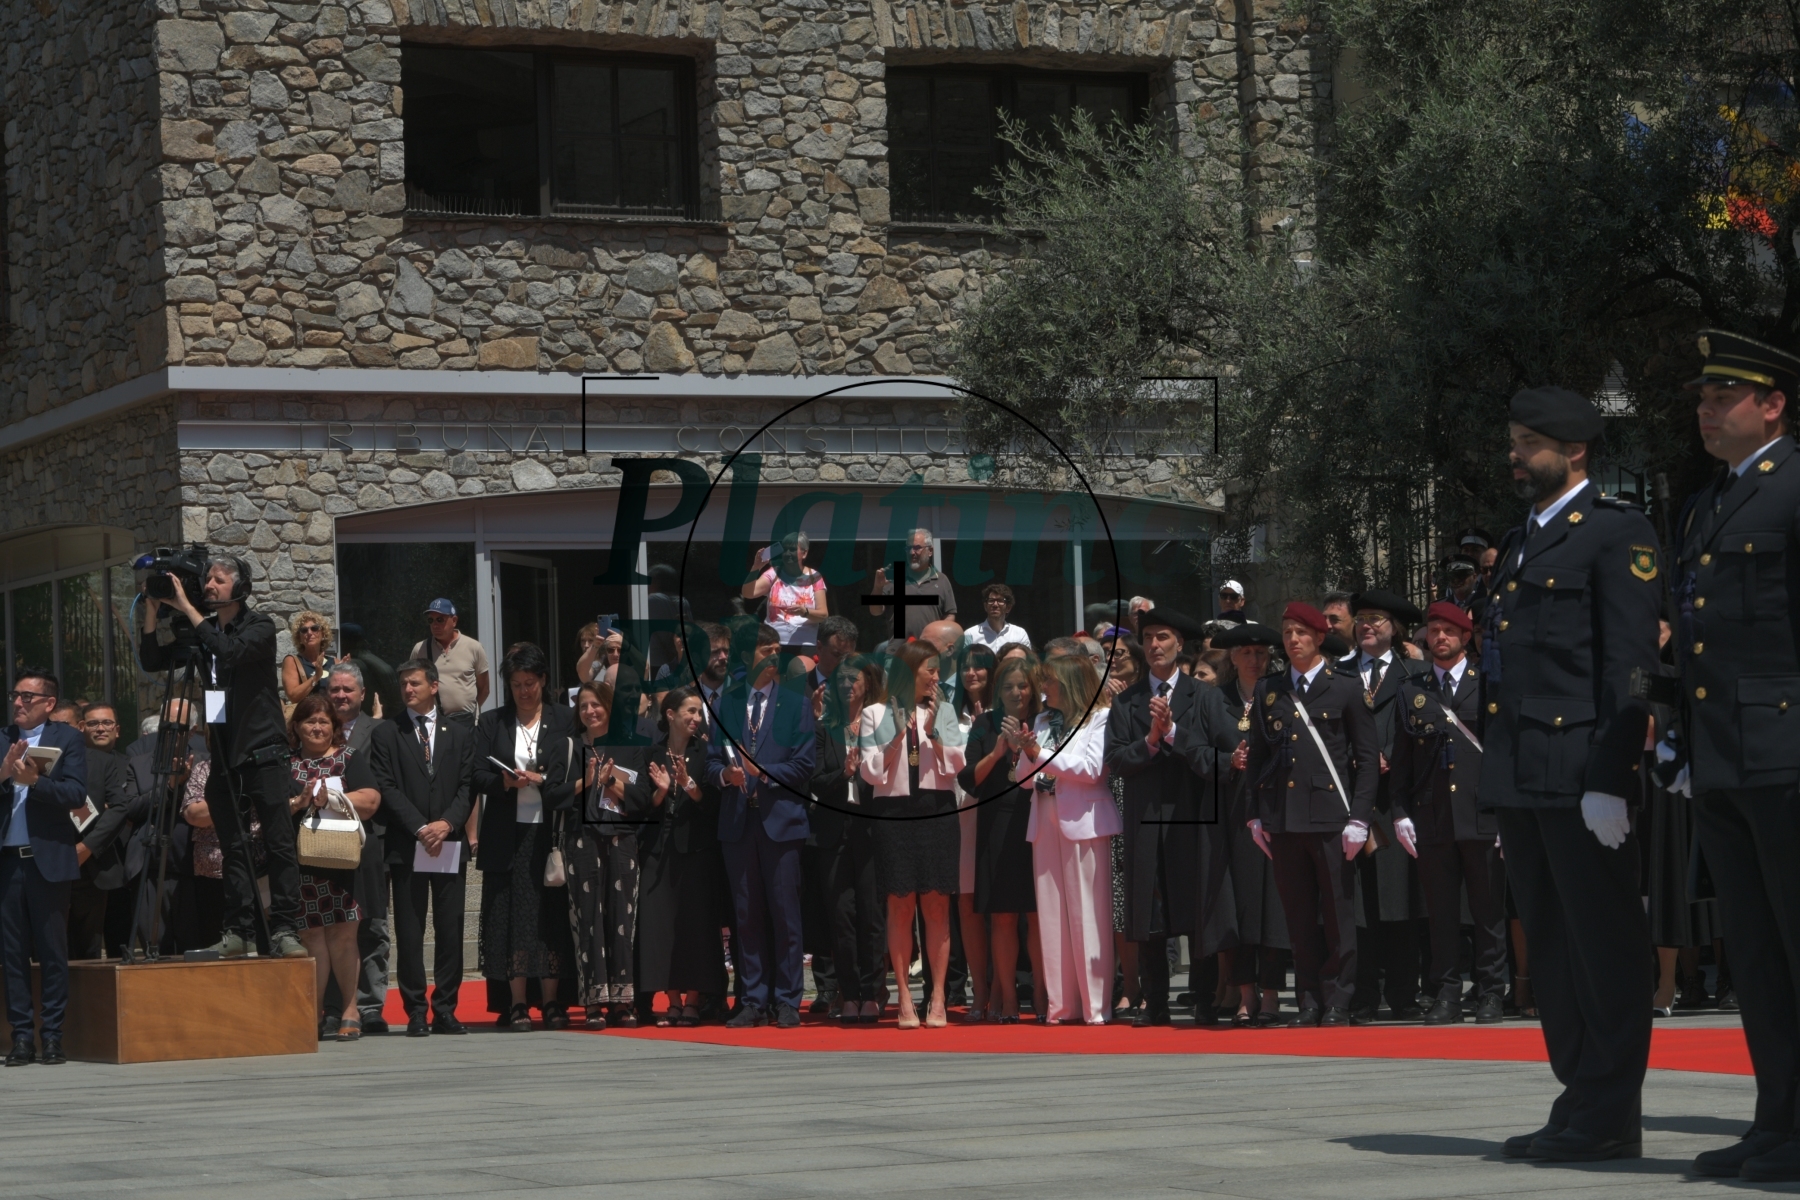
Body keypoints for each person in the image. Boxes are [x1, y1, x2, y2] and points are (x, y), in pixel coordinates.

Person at [1482, 385, 1659, 1164]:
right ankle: (1580, 1097)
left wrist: (1611, 774)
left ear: (1576, 451)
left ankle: (1612, 1111)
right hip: (1523, 771)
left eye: (1529, 443)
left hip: (1582, 770)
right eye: (1514, 441)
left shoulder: (1616, 531)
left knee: (1604, 944)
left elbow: (1632, 664)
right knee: (1551, 946)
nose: (1514, 456)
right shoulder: (1523, 538)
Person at [1673, 330, 1800, 1181]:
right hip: (1723, 754)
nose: (1707, 412)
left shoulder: (1793, 487)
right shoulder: (1707, 502)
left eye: (1724, 398)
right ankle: (1778, 1120)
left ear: (1773, 404)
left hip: (1786, 752)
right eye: (1703, 400)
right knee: (1755, 954)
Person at [139, 555, 306, 959]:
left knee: (279, 843)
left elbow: (228, 651)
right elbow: (152, 661)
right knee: (233, 846)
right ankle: (238, 931)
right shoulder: (205, 629)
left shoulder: (260, 625)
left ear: (240, 587)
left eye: (218, 579)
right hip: (225, 755)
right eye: (207, 579)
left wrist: (188, 608)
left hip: (264, 750)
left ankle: (285, 928)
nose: (209, 585)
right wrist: (152, 612)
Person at [1246, 602, 1380, 1027]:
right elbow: (1258, 756)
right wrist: (1255, 814)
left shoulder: (1346, 688)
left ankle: (1338, 998)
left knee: (1338, 913)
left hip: (1331, 816)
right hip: (1284, 818)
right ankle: (1307, 999)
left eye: (1302, 632)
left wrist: (1359, 818)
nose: (1293, 639)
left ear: (1320, 638)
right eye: (1287, 632)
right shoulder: (1269, 689)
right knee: (1298, 913)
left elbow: (1367, 759)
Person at [1105, 607, 1237, 1026]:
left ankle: (1203, 999)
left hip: (1193, 812)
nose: (1154, 645)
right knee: (1150, 911)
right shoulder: (1127, 700)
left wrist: (1177, 736)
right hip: (1146, 816)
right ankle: (1155, 1002)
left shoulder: (1206, 696)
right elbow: (1115, 760)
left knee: (1198, 908)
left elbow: (1227, 755)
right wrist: (1149, 740)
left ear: (1180, 644)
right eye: (1148, 638)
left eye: (1163, 637)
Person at [1388, 601, 1505, 1025]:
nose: (1440, 637)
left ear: (1465, 638)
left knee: (1488, 910)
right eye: (1434, 630)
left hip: (1481, 813)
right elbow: (1401, 760)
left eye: (1449, 631)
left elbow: (1503, 751)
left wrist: (1506, 816)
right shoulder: (1412, 690)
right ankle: (1448, 992)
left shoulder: (1488, 683)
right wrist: (1400, 812)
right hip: (1433, 816)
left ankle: (1490, 992)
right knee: (1441, 913)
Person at [708, 623, 817, 1028]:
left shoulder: (795, 704)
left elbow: (805, 764)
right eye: (765, 650)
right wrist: (726, 776)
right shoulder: (727, 703)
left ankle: (788, 999)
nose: (774, 657)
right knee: (746, 914)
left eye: (776, 650)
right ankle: (752, 999)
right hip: (738, 822)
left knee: (786, 914)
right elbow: (711, 761)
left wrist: (764, 772)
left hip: (781, 822)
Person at [859, 640, 965, 1028]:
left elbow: (957, 765)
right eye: (930, 670)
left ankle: (937, 996)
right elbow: (870, 772)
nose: (937, 677)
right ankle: (903, 995)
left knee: (937, 906)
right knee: (900, 905)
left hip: (937, 812)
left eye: (938, 670)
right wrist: (896, 738)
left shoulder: (946, 710)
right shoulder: (875, 712)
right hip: (894, 814)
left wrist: (934, 732)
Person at [473, 642, 578, 1031]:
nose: (523, 691)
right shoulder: (493, 722)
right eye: (516, 684)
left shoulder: (564, 719)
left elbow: (574, 768)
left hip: (550, 833)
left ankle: (552, 1001)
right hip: (507, 835)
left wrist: (543, 778)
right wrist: (504, 782)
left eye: (530, 683)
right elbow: (476, 774)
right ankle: (516, 1002)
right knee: (511, 919)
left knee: (551, 917)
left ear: (543, 681)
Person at [1338, 589, 1430, 1024]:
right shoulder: (1339, 673)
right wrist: (1356, 755)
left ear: (1395, 628)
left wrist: (1391, 754)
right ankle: (1363, 994)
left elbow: (1426, 727)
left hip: (1397, 799)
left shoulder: (1416, 673)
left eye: (1376, 619)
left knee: (1399, 901)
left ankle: (1403, 992)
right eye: (1361, 619)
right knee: (1358, 905)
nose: (1366, 626)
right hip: (1352, 799)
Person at [1017, 653, 1117, 1025]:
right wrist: (1027, 752)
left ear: (1070, 683)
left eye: (1050, 681)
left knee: (1088, 914)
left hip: (1084, 821)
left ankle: (1095, 1007)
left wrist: (1039, 753)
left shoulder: (1100, 717)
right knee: (1051, 915)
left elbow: (1092, 770)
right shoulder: (1043, 720)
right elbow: (1022, 779)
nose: (1043, 688)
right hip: (1045, 819)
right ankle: (1061, 1006)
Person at [284, 693, 383, 1041]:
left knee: (343, 936)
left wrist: (332, 796)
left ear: (334, 727)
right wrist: (297, 802)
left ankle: (350, 1009)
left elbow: (371, 800)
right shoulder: (286, 763)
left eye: (323, 721)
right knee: (311, 936)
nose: (317, 727)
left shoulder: (349, 757)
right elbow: (271, 809)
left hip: (344, 861)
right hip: (302, 862)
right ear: (297, 726)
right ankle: (314, 1012)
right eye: (310, 721)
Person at [0, 670, 87, 1066]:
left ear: (49, 703)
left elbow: (76, 793)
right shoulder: (3, 738)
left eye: (27, 697)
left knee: (52, 952)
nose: (18, 703)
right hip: (8, 863)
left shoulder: (66, 738)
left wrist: (35, 782)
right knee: (12, 954)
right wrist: (5, 776)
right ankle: (21, 1037)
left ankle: (52, 1036)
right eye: (15, 695)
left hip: (47, 861)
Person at [383, 659, 474, 1037]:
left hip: (448, 843)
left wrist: (447, 823)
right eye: (404, 683)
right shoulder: (388, 732)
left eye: (415, 683)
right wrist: (421, 827)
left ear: (434, 686)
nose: (408, 689)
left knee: (450, 929)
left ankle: (446, 1009)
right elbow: (386, 786)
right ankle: (416, 1010)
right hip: (408, 844)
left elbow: (467, 785)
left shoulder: (460, 733)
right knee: (409, 931)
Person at [635, 686, 728, 1026]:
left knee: (696, 924)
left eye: (699, 712)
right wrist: (661, 792)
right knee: (659, 925)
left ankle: (693, 1000)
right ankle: (672, 1000)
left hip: (697, 848)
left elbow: (713, 804)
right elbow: (642, 806)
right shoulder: (651, 753)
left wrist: (689, 784)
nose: (696, 718)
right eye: (690, 711)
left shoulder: (706, 753)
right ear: (670, 714)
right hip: (658, 849)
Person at [957, 656, 1043, 1023]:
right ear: (997, 691)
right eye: (1008, 686)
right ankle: (1007, 996)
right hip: (996, 822)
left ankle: (1041, 993)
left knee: (1037, 914)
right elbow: (968, 779)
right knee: (1004, 915)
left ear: (1032, 689)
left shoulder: (1044, 720)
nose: (1016, 692)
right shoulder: (984, 723)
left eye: (1022, 685)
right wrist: (998, 751)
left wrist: (1026, 748)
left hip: (1037, 817)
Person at [1214, 622, 1287, 1026]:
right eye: (1246, 653)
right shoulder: (1216, 699)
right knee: (1240, 903)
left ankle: (1272, 992)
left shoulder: (1280, 692)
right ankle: (1244, 992)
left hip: (1275, 809)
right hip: (1232, 814)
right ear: (1232, 656)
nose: (1254, 660)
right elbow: (1197, 748)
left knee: (1273, 904)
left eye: (1261, 653)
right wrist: (1228, 760)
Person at [567, 681, 649, 1027]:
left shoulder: (631, 747)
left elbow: (643, 799)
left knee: (621, 919)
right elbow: (555, 794)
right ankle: (593, 1002)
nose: (590, 711)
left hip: (621, 839)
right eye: (584, 706)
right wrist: (587, 781)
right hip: (582, 839)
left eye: (596, 704)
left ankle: (622, 1001)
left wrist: (611, 781)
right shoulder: (571, 746)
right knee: (589, 919)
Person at [811, 659, 888, 1023]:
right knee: (841, 915)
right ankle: (849, 993)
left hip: (871, 830)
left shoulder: (880, 723)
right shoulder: (824, 728)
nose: (846, 684)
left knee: (872, 914)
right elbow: (814, 780)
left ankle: (873, 992)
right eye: (839, 679)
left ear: (867, 682)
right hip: (833, 831)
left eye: (852, 678)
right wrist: (843, 774)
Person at [322, 662, 395, 1034]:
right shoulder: (315, 730)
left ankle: (369, 1006)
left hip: (371, 840)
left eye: (347, 689)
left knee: (371, 926)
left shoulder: (381, 730)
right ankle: (333, 1007)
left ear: (363, 694)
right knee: (332, 926)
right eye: (334, 689)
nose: (340, 696)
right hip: (324, 845)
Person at [68, 704, 137, 960]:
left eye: (106, 723)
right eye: (93, 723)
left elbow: (129, 806)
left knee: (119, 944)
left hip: (119, 867)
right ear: (82, 728)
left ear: (117, 730)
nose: (100, 728)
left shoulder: (131, 765)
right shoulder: (68, 764)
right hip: (77, 865)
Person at [411, 599, 490, 735]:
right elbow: (411, 684)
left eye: (440, 620)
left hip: (466, 724)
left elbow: (484, 688)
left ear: (454, 621)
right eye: (431, 620)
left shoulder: (474, 647)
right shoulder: (420, 649)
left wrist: (472, 712)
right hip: (433, 723)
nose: (435, 625)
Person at [743, 532, 830, 650]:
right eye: (785, 549)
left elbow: (823, 615)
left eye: (792, 549)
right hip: (774, 644)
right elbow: (748, 593)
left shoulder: (814, 577)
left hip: (805, 644)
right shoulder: (774, 573)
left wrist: (804, 612)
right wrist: (756, 567)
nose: (788, 553)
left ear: (804, 553)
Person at [868, 528, 958, 639]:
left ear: (930, 551)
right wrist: (877, 587)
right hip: (899, 648)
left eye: (917, 548)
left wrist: (940, 639)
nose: (911, 552)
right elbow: (875, 611)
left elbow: (949, 615)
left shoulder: (941, 580)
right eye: (909, 548)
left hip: (929, 648)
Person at [282, 610, 340, 706]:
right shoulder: (292, 661)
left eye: (314, 628)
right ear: (299, 638)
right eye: (304, 630)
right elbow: (293, 697)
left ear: (323, 634)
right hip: (308, 714)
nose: (309, 632)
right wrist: (316, 677)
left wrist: (346, 673)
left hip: (330, 714)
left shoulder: (335, 662)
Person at [966, 583, 1032, 652]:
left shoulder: (1020, 634)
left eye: (1000, 601)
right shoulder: (970, 634)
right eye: (991, 600)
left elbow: (1027, 658)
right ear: (985, 606)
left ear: (1008, 608)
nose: (995, 604)